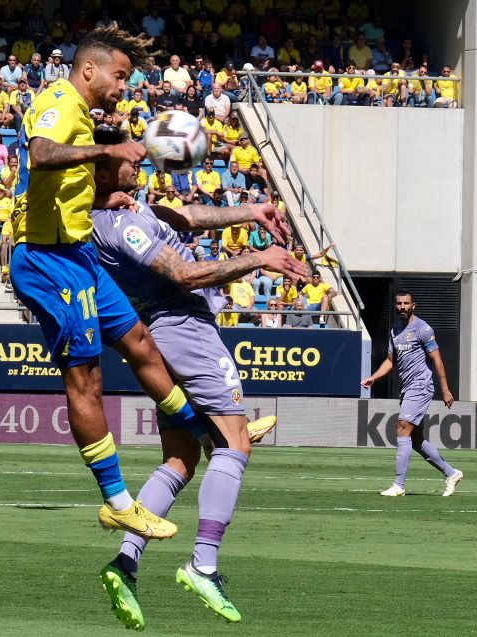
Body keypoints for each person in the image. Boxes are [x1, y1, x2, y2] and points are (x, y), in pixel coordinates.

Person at [11, 27, 219, 541]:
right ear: (89, 71)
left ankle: (205, 429)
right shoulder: (60, 101)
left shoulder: (82, 115)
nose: (124, 86)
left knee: (140, 342)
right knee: (86, 380)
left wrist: (108, 197)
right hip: (47, 258)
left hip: (76, 250)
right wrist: (106, 154)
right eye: (119, 76)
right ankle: (119, 501)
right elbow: (39, 153)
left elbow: (61, 186)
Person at [89, 130, 302, 628]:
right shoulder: (117, 225)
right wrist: (258, 259)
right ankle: (203, 564)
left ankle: (126, 562)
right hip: (182, 326)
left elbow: (183, 218)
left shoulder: (128, 208)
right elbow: (184, 275)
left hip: (166, 330)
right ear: (101, 170)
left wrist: (251, 212)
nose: (136, 156)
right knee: (234, 446)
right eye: (123, 156)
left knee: (181, 458)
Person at [361, 290, 463, 497]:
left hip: (420, 386)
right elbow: (390, 361)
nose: (402, 307)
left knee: (402, 429)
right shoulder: (395, 331)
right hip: (407, 388)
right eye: (398, 304)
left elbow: (437, 359)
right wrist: (374, 377)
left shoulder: (422, 329)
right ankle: (451, 473)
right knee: (415, 440)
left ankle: (399, 485)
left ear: (413, 306)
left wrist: (445, 389)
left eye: (406, 304)